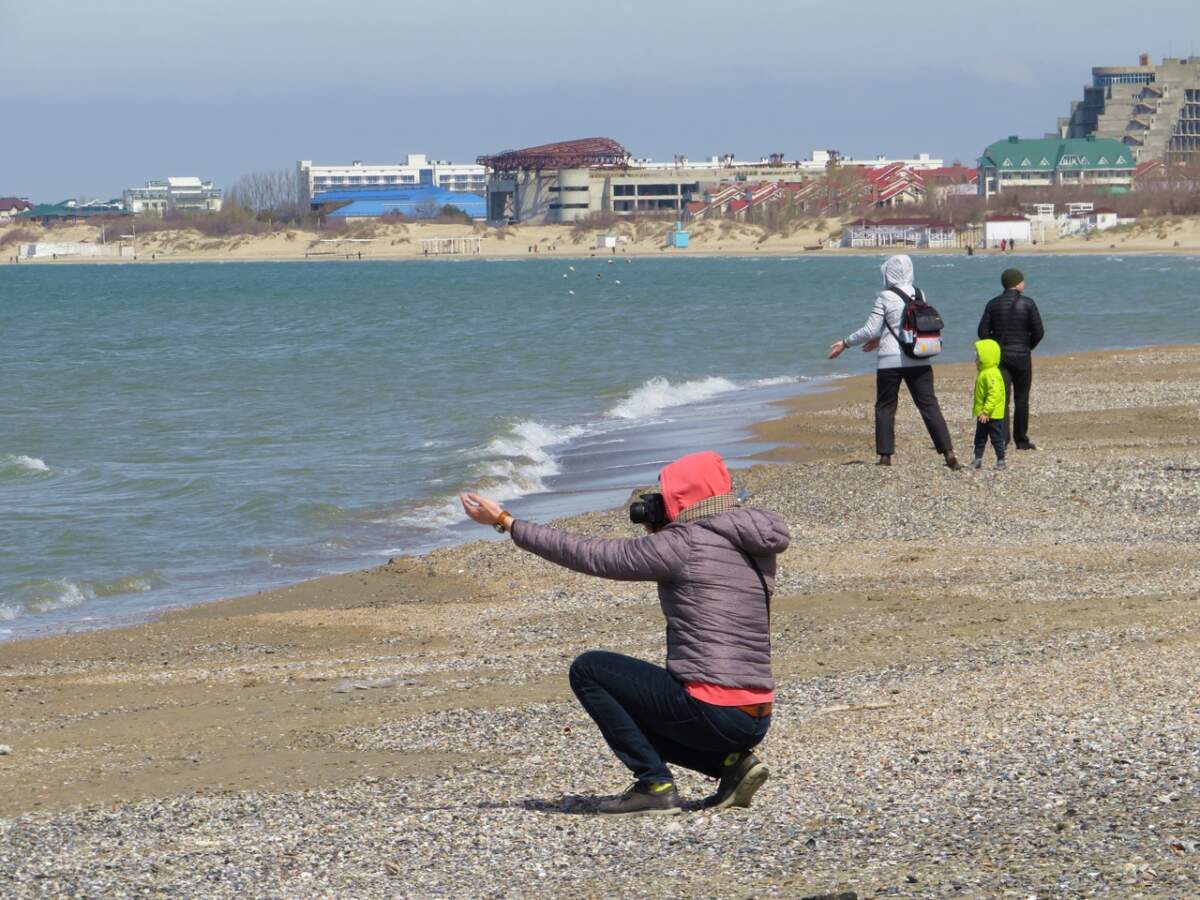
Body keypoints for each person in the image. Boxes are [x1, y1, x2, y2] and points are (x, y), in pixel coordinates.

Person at [460, 450, 789, 817]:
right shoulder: (752, 541)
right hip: (755, 713)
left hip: (713, 712)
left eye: (666, 496)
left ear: (684, 499)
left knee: (591, 670)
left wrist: (507, 521)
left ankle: (655, 786)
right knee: (647, 697)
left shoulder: (684, 543)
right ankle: (731, 766)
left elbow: (594, 555)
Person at [828, 255, 961, 469]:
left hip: (890, 361)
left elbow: (871, 329)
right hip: (919, 357)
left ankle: (885, 457)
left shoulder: (885, 297)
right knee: (929, 406)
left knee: (885, 407)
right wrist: (880, 338)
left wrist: (845, 343)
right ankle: (949, 454)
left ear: (887, 273)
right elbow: (910, 324)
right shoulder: (920, 293)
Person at [977, 268, 1045, 450]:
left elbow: (982, 332)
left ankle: (1002, 440)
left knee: (1002, 399)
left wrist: (994, 349)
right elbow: (1039, 332)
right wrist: (1027, 346)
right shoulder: (1028, 303)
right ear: (1017, 283)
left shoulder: (993, 304)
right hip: (1022, 357)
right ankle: (1021, 440)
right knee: (1022, 399)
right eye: (1022, 280)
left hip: (1001, 358)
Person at [971, 339, 1007, 470]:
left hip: (992, 414)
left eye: (978, 357)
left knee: (996, 437)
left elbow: (994, 394)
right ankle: (977, 458)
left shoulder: (991, 373)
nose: (976, 360)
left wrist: (986, 411)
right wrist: (980, 411)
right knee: (979, 437)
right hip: (982, 413)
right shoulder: (984, 372)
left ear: (986, 358)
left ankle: (1001, 460)